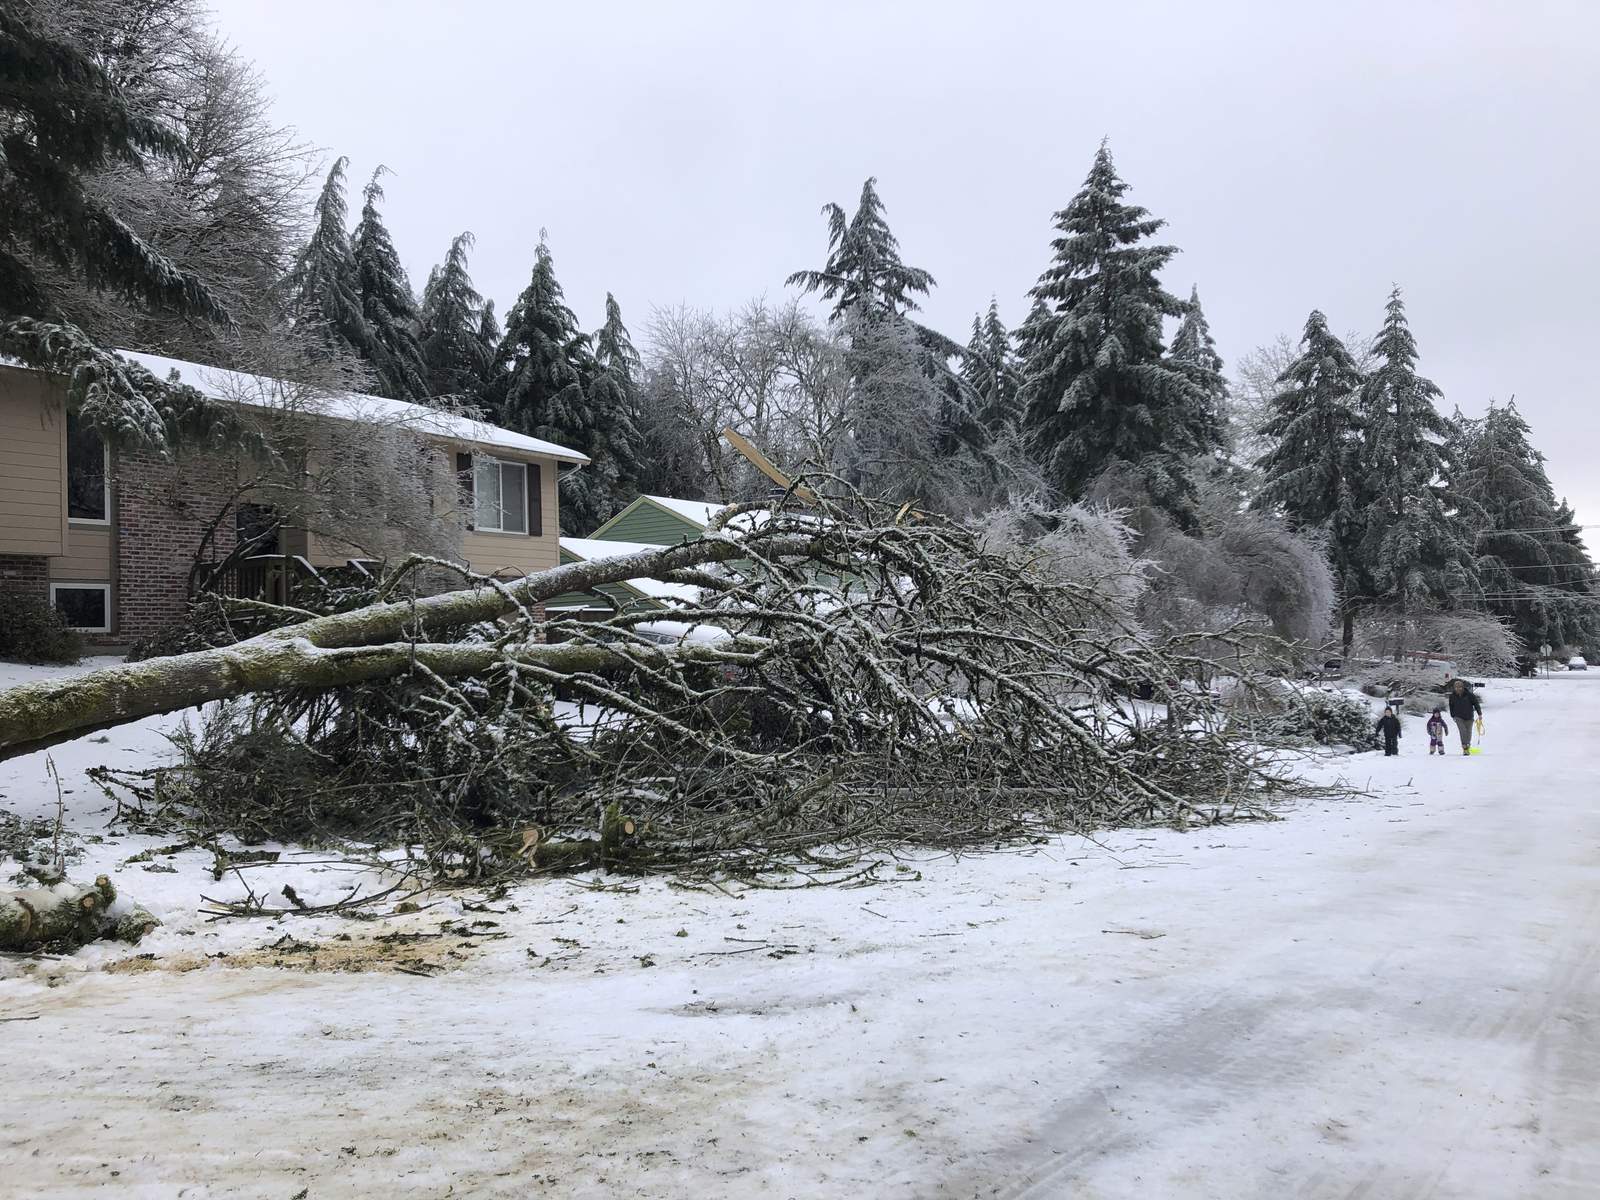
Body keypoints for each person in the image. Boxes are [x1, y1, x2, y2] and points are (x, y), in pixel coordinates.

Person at [1445, 678, 1482, 755]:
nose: (1458, 689)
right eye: (1456, 687)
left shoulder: (1469, 695)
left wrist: (1479, 714)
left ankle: (1467, 745)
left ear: (1462, 687)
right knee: (1462, 731)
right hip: (1458, 717)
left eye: (1460, 687)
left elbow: (1476, 704)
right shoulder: (1452, 696)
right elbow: (1451, 706)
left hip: (1469, 716)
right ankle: (1464, 747)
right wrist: (1453, 716)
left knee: (1468, 732)